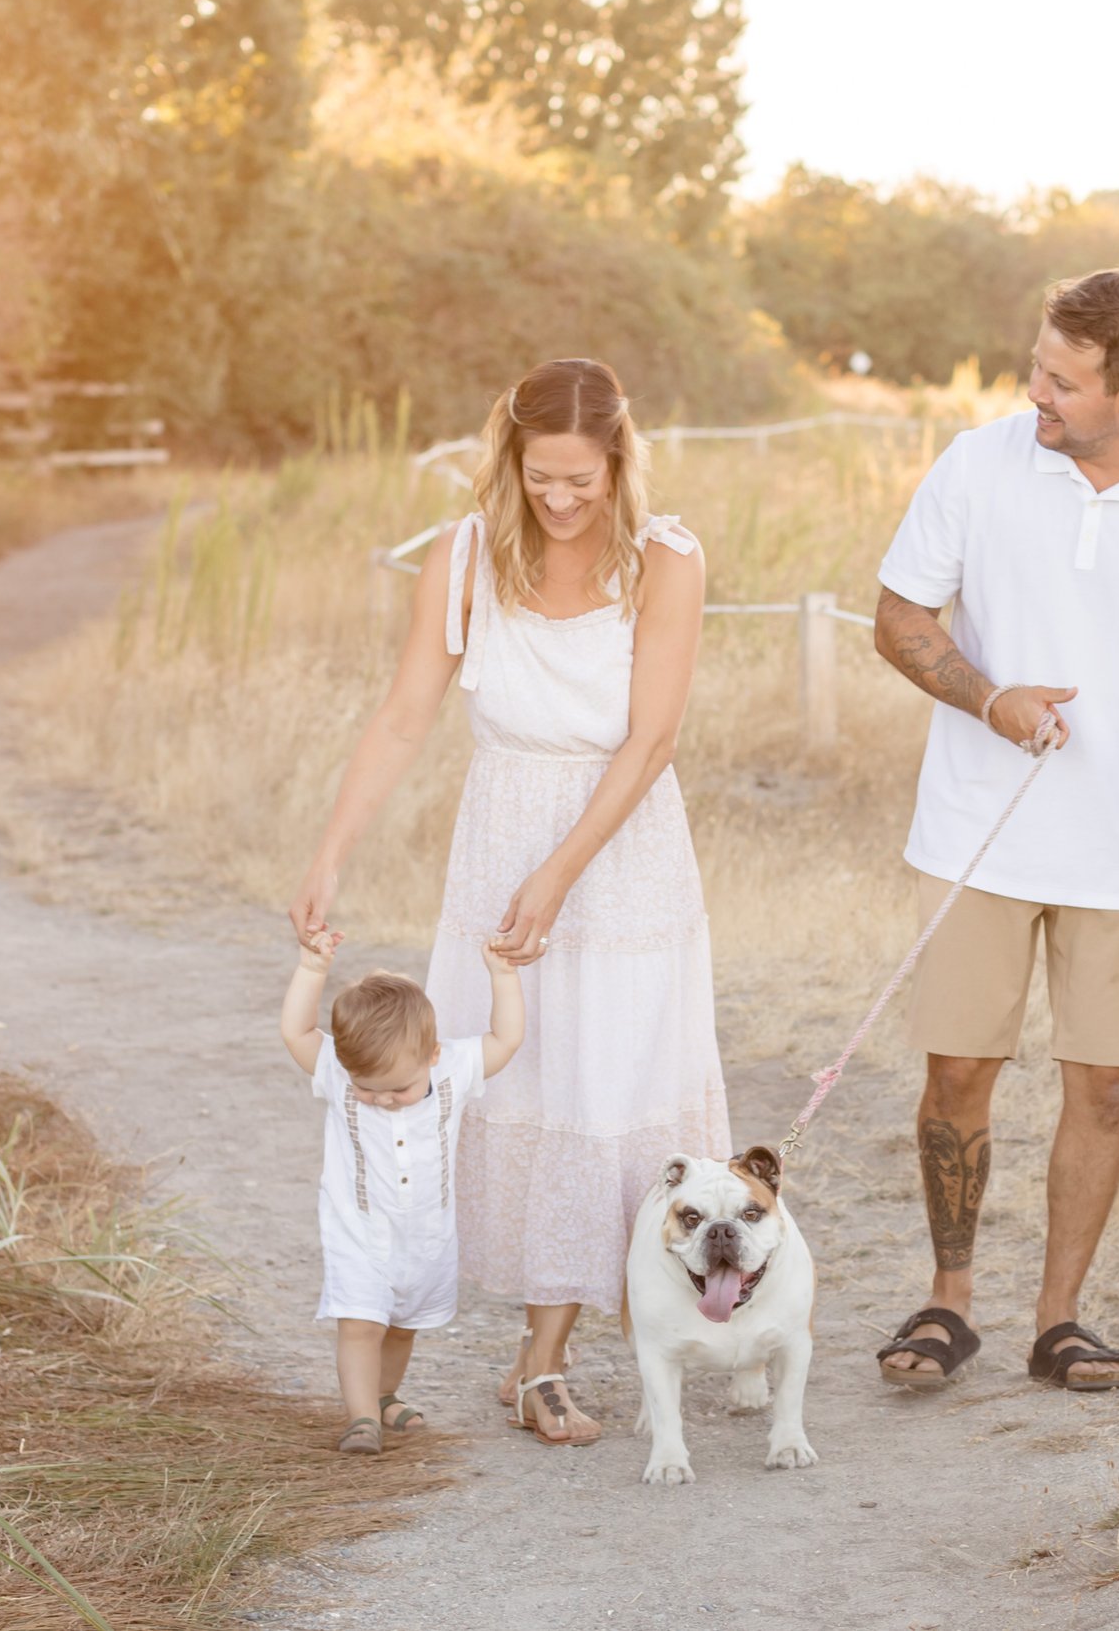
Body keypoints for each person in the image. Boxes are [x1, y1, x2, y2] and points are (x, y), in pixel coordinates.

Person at [288, 357, 729, 1447]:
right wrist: (332, 850)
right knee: (510, 1081)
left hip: (618, 850)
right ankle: (479, 1350)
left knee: (600, 1089)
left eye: (582, 478)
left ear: (617, 461)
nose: (562, 497)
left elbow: (652, 738)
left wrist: (560, 871)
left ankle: (542, 1363)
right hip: (499, 832)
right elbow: (402, 715)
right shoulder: (464, 555)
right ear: (511, 456)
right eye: (542, 476)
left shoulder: (666, 561)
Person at [871, 267, 1119, 1392]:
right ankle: (949, 1303)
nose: (1034, 394)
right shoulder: (977, 463)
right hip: (974, 838)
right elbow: (899, 616)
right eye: (1037, 367)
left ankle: (1059, 1318)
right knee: (958, 1075)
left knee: (1102, 1089)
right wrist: (986, 696)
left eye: (1063, 383)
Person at [278, 932, 525, 1451]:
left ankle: (385, 1396)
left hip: (426, 1237)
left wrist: (503, 976)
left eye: (398, 1089)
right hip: (359, 1231)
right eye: (367, 1089)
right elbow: (297, 1030)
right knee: (361, 1324)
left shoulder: (455, 1067)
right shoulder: (339, 1075)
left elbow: (505, 1040)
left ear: (433, 1054)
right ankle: (361, 1417)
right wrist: (311, 968)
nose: (383, 1100)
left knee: (403, 1327)